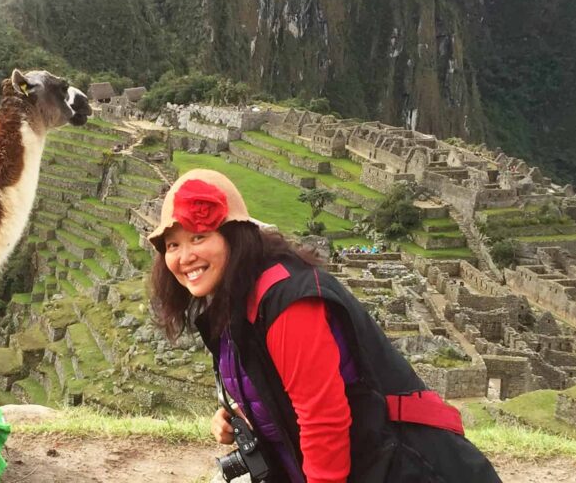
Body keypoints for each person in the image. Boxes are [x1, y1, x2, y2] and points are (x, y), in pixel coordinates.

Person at [149, 168, 501, 483]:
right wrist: (241, 414)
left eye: (199, 237)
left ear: (234, 235)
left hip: (408, 467)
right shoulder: (237, 302)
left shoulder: (288, 303)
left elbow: (324, 421)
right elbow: (284, 387)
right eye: (173, 245)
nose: (185, 257)